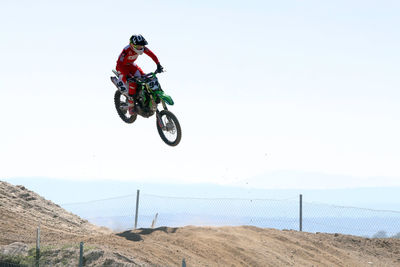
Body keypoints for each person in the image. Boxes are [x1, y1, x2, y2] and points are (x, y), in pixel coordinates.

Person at [115, 34, 163, 114]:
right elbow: (119, 64)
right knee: (132, 82)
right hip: (122, 68)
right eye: (138, 46)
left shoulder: (142, 48)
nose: (141, 48)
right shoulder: (126, 50)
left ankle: (144, 97)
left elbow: (152, 55)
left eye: (142, 46)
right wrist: (127, 76)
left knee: (145, 77)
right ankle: (131, 105)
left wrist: (158, 64)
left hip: (131, 65)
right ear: (132, 45)